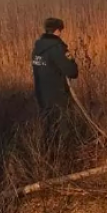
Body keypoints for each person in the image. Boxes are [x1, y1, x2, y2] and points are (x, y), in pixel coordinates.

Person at [32, 17, 79, 151]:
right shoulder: (57, 48)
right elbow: (72, 72)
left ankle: (46, 158)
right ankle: (64, 159)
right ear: (58, 31)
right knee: (63, 131)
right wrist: (72, 62)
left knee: (47, 129)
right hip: (58, 96)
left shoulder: (37, 48)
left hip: (42, 95)